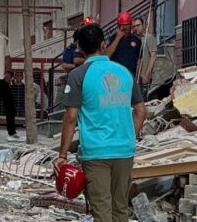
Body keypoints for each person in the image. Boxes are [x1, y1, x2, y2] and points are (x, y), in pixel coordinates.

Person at [57, 23, 147, 222]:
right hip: (124, 150)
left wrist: (62, 155)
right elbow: (141, 111)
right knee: (120, 208)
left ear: (79, 47)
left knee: (102, 210)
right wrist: (129, 137)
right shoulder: (125, 72)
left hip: (96, 152)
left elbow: (71, 118)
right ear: (103, 44)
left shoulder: (78, 75)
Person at [102, 12, 141, 79]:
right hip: (115, 74)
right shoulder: (112, 39)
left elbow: (139, 59)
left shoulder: (137, 40)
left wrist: (138, 74)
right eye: (122, 25)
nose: (125, 27)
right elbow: (107, 56)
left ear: (130, 25)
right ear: (118, 26)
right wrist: (118, 38)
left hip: (130, 74)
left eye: (127, 25)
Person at [132, 17, 158, 97]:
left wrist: (147, 75)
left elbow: (153, 56)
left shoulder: (149, 37)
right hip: (134, 76)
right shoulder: (133, 39)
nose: (136, 28)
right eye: (134, 26)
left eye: (138, 25)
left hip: (144, 75)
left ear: (143, 25)